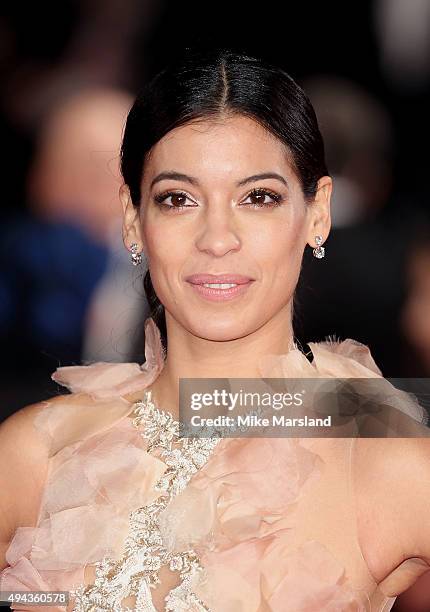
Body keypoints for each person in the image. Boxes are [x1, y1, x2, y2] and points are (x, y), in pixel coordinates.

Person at [1, 47, 429, 612]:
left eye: (259, 198)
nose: (217, 237)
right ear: (133, 217)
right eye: (178, 199)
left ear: (317, 211)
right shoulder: (35, 455)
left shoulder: (382, 461)